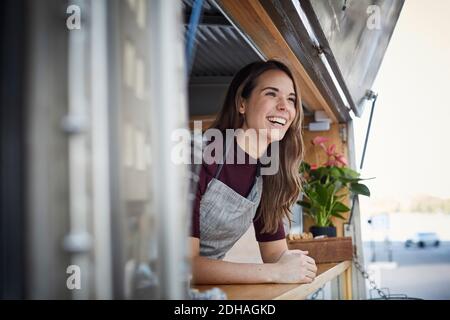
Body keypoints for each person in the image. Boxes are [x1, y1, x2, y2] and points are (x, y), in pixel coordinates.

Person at [190, 60, 317, 284]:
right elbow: (184, 266)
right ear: (242, 103)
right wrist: (276, 273)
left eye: (291, 99)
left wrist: (297, 263)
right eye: (271, 94)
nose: (284, 106)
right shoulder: (198, 156)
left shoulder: (269, 174)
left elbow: (275, 254)